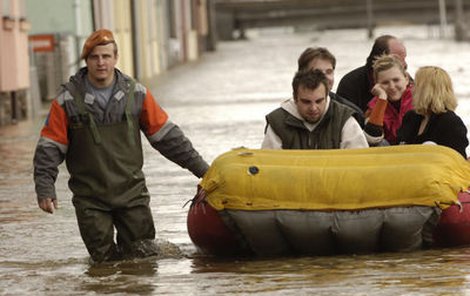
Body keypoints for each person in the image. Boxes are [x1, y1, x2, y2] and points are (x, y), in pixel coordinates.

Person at [33, 29, 209, 263]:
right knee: (103, 266)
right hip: (91, 200)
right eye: (95, 57)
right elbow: (49, 148)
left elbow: (168, 138)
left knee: (143, 263)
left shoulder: (136, 94)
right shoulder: (66, 101)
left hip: (132, 196)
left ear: (116, 58)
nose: (101, 62)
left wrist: (205, 172)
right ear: (87, 61)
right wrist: (45, 187)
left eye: (106, 56)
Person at [261, 69, 368, 149]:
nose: (313, 108)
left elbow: (359, 161)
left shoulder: (344, 119)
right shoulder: (277, 122)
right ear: (295, 98)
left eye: (319, 101)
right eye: (306, 102)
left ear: (327, 97)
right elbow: (267, 163)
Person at [397, 66, 468, 158]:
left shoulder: (450, 122)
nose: (411, 89)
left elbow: (457, 160)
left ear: (426, 90)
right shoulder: (411, 117)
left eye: (415, 85)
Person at [336, 35, 409, 112]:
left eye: (396, 80)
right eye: (397, 59)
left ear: (406, 79)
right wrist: (381, 101)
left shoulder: (408, 84)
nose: (405, 64)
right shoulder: (350, 84)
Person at [297, 47, 365, 127]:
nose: (325, 77)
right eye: (317, 72)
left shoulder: (352, 113)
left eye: (329, 72)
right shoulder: (286, 113)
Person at [363, 54, 414, 146]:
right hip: (388, 154)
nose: (392, 87)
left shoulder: (420, 98)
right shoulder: (374, 107)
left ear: (406, 79)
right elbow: (371, 140)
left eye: (396, 80)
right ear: (377, 85)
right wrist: (382, 99)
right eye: (385, 82)